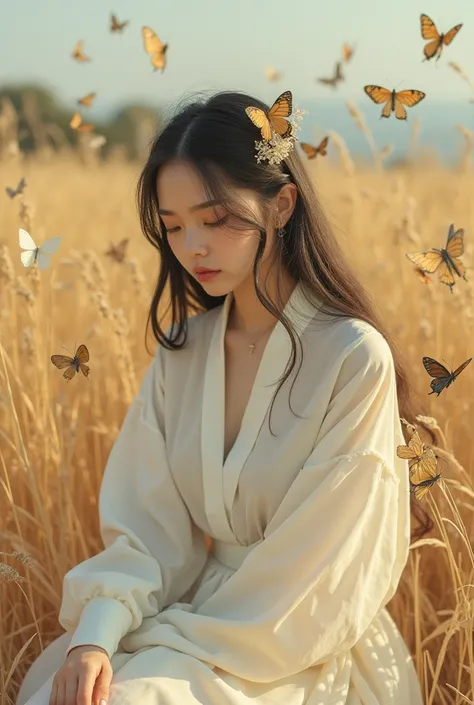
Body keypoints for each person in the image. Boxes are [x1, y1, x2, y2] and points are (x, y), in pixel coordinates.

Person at [17, 89, 425, 705]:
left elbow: (321, 572)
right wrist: (97, 635)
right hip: (189, 615)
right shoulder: (183, 351)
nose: (193, 248)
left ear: (282, 204)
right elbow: (147, 529)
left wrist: (169, 645)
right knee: (59, 688)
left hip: (291, 641)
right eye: (175, 226)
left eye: (216, 219)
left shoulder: (351, 358)